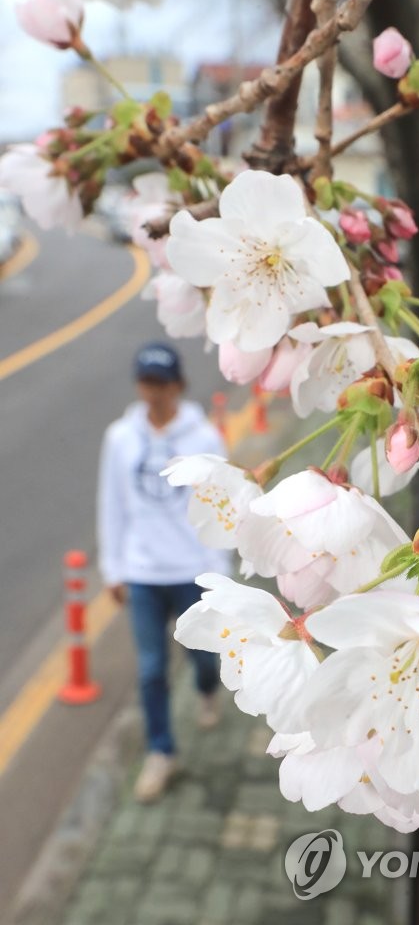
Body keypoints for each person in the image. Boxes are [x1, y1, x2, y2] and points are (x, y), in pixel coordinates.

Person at [97, 341, 230, 802]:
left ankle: (208, 691)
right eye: (146, 382)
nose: (153, 392)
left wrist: (220, 576)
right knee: (151, 669)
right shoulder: (120, 438)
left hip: (191, 570)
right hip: (142, 572)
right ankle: (161, 752)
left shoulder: (204, 439)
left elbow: (220, 509)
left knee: (204, 659)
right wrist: (113, 567)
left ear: (179, 385)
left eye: (162, 383)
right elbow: (112, 504)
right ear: (139, 385)